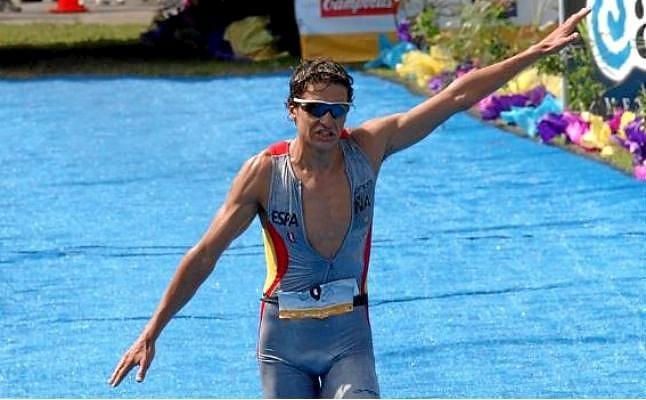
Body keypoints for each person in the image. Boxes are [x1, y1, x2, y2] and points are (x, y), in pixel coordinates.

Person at [108, 7, 591, 398]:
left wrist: (536, 51)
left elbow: (454, 97)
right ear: (292, 110)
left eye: (337, 111)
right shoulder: (263, 174)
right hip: (283, 342)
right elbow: (205, 254)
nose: (327, 121)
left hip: (348, 338)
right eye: (316, 109)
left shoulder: (368, 148)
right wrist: (153, 330)